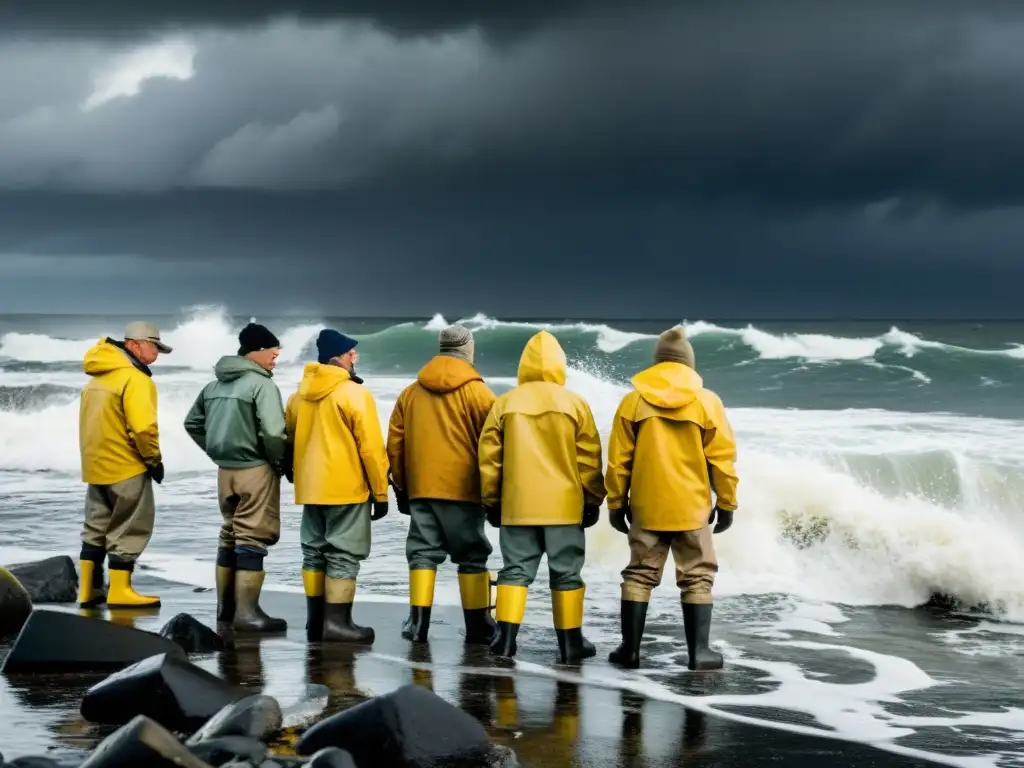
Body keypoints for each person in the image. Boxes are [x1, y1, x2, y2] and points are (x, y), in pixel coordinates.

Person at [604, 326, 739, 671]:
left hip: (646, 507)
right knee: (698, 576)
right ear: (689, 364)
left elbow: (618, 461)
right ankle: (700, 654)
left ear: (657, 362)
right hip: (692, 509)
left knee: (639, 575)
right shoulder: (708, 402)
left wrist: (616, 503)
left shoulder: (633, 401)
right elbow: (722, 460)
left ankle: (630, 652)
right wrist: (726, 502)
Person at [478, 330, 606, 663]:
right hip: (564, 507)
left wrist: (491, 500)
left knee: (515, 571)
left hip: (518, 506)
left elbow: (489, 459)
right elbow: (588, 459)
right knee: (566, 573)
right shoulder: (575, 403)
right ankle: (570, 644)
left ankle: (504, 641)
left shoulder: (505, 402)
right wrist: (593, 499)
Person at [387, 324, 497, 644]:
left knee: (421, 553)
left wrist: (403, 487)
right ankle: (479, 624)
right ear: (468, 350)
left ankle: (418, 624)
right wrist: (492, 491)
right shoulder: (480, 394)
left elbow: (395, 445)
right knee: (473, 555)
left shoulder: (410, 392)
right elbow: (493, 446)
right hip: (465, 491)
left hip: (421, 487)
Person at [183, 322, 289, 634]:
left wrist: (216, 448)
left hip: (225, 471)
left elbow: (192, 423)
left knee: (229, 533)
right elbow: (272, 431)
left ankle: (225, 610)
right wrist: (278, 460)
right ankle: (247, 613)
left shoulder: (214, 386)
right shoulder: (262, 385)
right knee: (253, 537)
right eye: (273, 352)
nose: (276, 358)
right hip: (255, 469)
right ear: (256, 352)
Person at [286, 329, 389, 644]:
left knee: (314, 553)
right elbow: (371, 449)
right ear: (338, 357)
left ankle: (315, 623)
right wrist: (381, 493)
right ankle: (339, 624)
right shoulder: (355, 394)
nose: (354, 358)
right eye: (351, 353)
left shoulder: (298, 396)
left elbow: (288, 441)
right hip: (346, 489)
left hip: (310, 489)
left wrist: (294, 473)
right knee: (343, 555)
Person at [77, 321, 171, 609]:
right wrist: (154, 461)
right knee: (130, 529)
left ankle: (87, 591)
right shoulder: (136, 379)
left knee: (95, 528)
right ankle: (120, 591)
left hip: (96, 465)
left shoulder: (97, 378)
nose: (156, 353)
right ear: (133, 344)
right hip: (127, 466)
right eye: (154, 345)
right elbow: (143, 428)